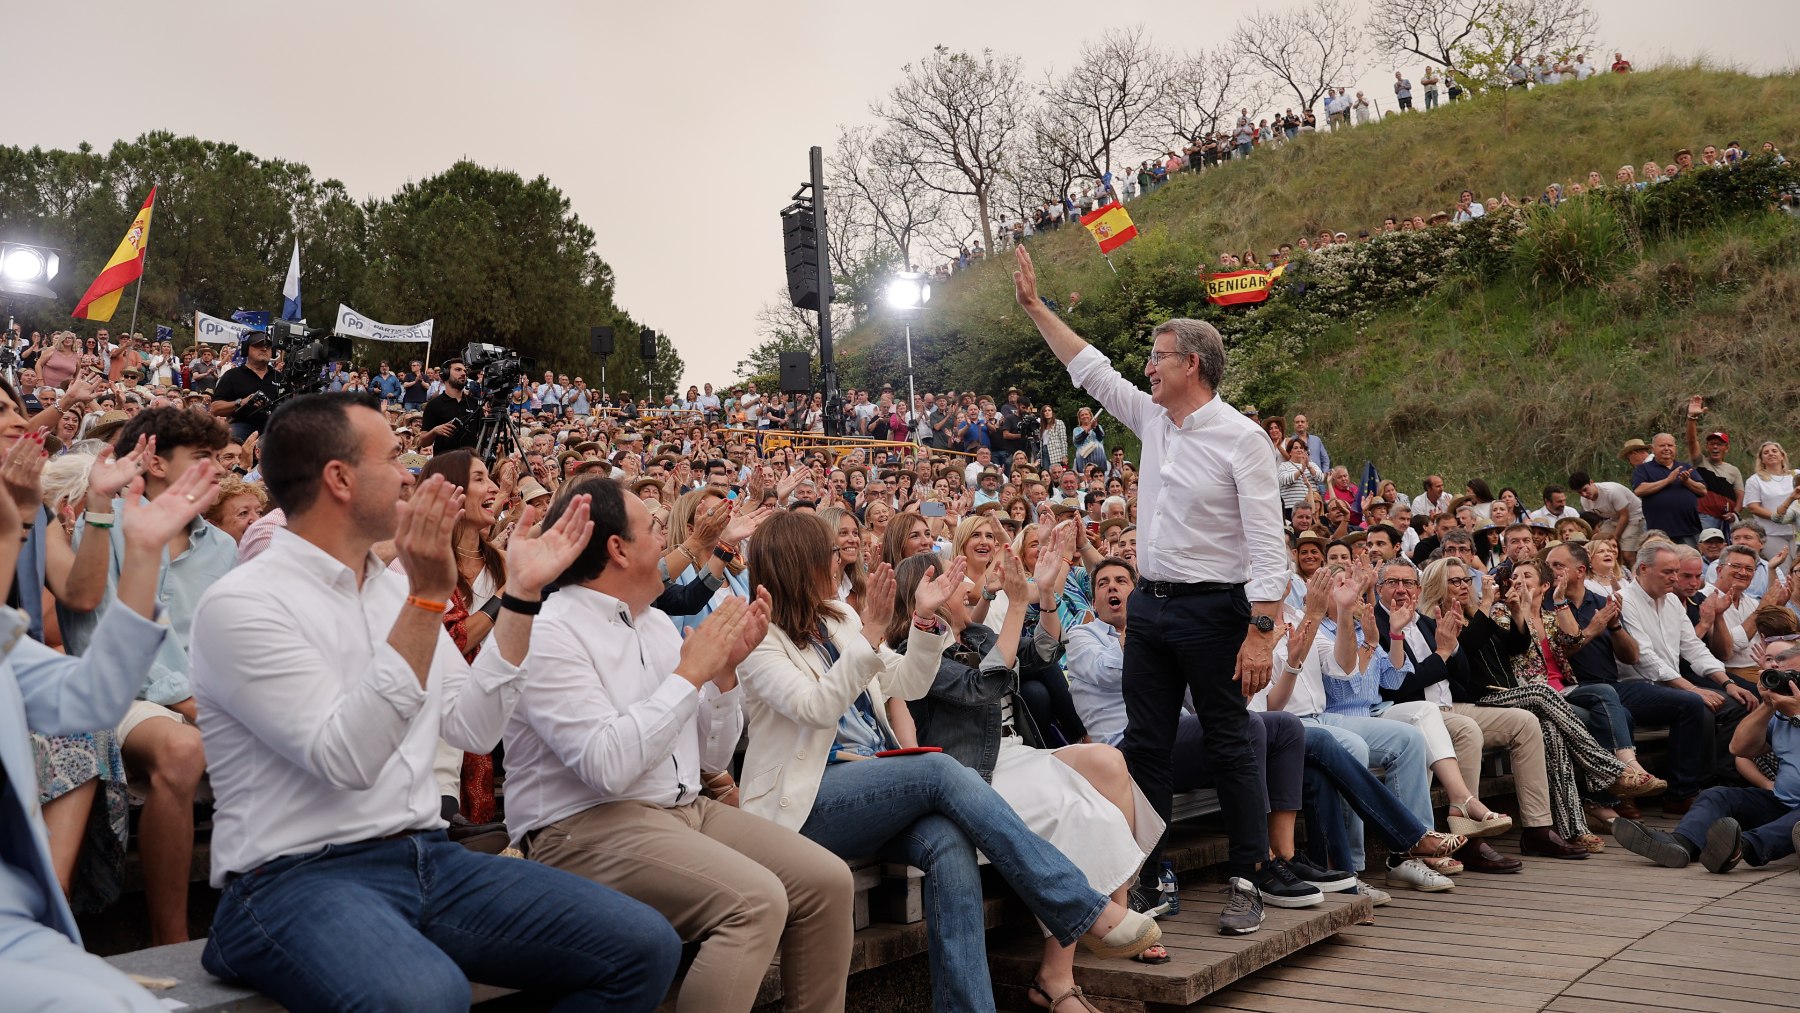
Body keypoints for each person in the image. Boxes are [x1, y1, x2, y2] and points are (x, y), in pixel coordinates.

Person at [189, 393, 680, 1011]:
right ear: (339, 479)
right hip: (293, 878)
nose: (409, 474)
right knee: (427, 996)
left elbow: (475, 724)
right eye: (394, 458)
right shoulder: (245, 603)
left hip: (426, 857)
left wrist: (523, 596)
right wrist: (425, 601)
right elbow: (346, 759)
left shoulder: (392, 587)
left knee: (643, 945)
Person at [736, 512, 1160, 1012]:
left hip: (870, 783)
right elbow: (816, 707)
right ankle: (1079, 905)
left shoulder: (841, 619)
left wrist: (922, 624)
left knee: (949, 841)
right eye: (830, 553)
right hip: (807, 798)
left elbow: (908, 682)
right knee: (939, 768)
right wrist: (871, 637)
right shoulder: (760, 636)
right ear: (799, 562)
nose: (840, 561)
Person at [504, 477, 853, 1013]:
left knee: (827, 882)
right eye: (653, 529)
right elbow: (607, 768)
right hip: (580, 824)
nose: (667, 542)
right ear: (617, 549)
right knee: (755, 903)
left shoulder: (657, 627)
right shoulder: (553, 630)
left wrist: (724, 678)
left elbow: (709, 762)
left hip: (683, 808)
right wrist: (691, 676)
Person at [1013, 245, 1283, 935]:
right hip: (1151, 607)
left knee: (1230, 739)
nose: (1147, 368)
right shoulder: (1154, 419)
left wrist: (1262, 630)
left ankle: (1249, 875)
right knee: (1145, 743)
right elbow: (1089, 368)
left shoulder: (1243, 439)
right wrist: (1038, 309)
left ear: (1190, 363)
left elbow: (1267, 543)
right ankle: (1151, 870)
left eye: (1158, 356)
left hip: (1215, 608)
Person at [0, 431, 223, 1013]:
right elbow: (76, 603)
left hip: (19, 926)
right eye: (11, 536)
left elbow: (94, 700)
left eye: (21, 534)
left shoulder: (11, 652)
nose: (14, 547)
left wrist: (145, 553)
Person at [60, 407, 235, 944]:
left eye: (217, 458)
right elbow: (97, 638)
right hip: (117, 695)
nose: (218, 471)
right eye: (201, 459)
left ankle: (268, 916)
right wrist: (188, 704)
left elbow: (225, 642)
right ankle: (171, 941)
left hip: (201, 699)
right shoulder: (104, 525)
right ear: (154, 461)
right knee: (182, 750)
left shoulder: (223, 547)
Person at [1615, 635, 1800, 872]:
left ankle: (1739, 847)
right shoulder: (1779, 711)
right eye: (1784, 676)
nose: (1787, 682)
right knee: (1717, 795)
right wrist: (1766, 706)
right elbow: (1739, 748)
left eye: (1794, 676)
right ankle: (1681, 844)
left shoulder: (1792, 711)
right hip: (1781, 801)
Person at [1632, 432, 1707, 546]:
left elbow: (1703, 491)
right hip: (1659, 533)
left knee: (1691, 562)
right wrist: (1667, 480)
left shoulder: (1685, 467)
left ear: (1675, 448)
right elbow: (1639, 490)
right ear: (1653, 449)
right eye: (1662, 445)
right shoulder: (1643, 469)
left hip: (1689, 530)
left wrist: (1687, 481)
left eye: (1670, 445)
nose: (1666, 449)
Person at [208, 329, 284, 442]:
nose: (264, 349)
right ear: (245, 349)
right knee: (233, 438)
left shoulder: (280, 377)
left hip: (275, 427)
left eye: (268, 346)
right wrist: (241, 402)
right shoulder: (232, 375)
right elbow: (214, 408)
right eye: (258, 345)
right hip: (242, 425)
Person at [418, 357, 479, 454]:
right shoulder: (434, 405)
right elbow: (423, 442)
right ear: (445, 374)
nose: (463, 373)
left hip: (470, 464)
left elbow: (486, 435)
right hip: (443, 464)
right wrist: (434, 431)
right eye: (458, 370)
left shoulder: (475, 404)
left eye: (464, 371)